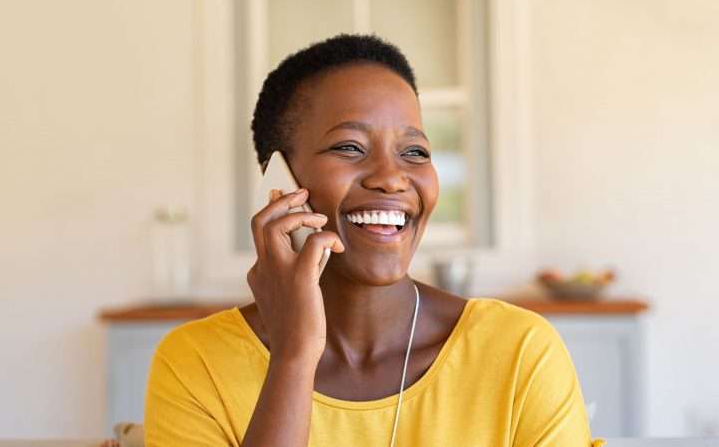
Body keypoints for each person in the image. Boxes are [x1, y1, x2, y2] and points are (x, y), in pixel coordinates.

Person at [143, 34, 596, 447]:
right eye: (349, 147)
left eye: (414, 152)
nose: (391, 178)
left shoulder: (519, 351)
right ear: (280, 181)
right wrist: (293, 357)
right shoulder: (195, 363)